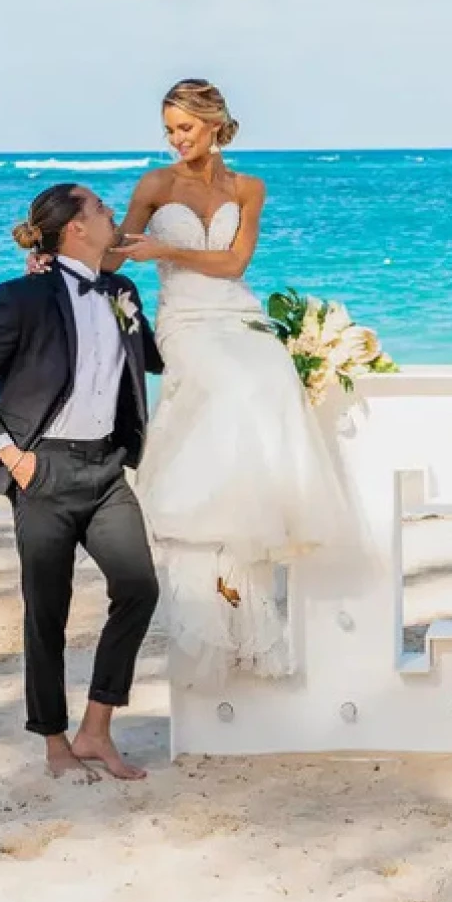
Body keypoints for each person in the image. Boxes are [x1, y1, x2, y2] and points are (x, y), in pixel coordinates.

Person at [106, 79, 363, 687]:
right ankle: (212, 524)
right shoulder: (154, 186)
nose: (176, 140)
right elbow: (116, 251)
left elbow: (235, 264)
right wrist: (60, 254)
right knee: (228, 383)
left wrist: (163, 247)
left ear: (215, 122)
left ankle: (252, 525)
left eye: (186, 129)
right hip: (185, 319)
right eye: (169, 130)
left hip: (235, 310)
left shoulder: (249, 188)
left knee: (268, 372)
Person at [0, 184, 163, 781]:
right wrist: (12, 459)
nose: (112, 213)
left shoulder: (123, 291)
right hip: (41, 471)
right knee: (48, 612)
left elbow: (158, 358)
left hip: (106, 470)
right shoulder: (22, 297)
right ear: (74, 228)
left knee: (139, 587)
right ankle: (54, 742)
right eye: (100, 208)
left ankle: (97, 729)